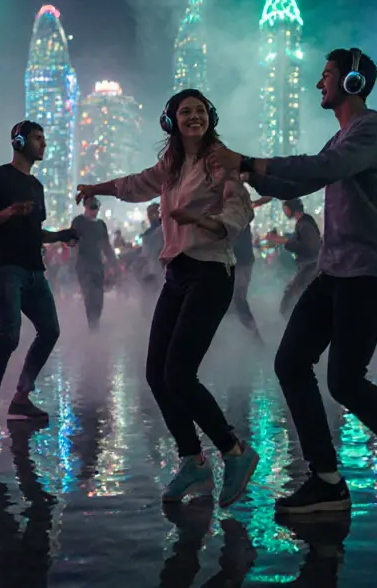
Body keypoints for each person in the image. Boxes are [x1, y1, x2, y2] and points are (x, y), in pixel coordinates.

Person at [213, 48, 377, 524]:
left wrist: (250, 160)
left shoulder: (371, 129)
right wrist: (244, 173)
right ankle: (326, 481)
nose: (318, 83)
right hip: (336, 269)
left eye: (326, 76)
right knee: (290, 361)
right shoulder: (341, 138)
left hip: (370, 269)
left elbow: (324, 170)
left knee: (345, 380)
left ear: (351, 83)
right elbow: (298, 185)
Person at [77, 88, 259, 508]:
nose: (193, 117)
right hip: (177, 274)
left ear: (210, 117)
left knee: (179, 373)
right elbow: (136, 183)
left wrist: (203, 220)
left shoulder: (220, 160)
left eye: (199, 111)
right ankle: (192, 460)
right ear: (171, 120)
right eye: (184, 112)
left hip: (212, 272)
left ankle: (235, 451)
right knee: (156, 373)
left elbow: (240, 210)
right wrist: (98, 187)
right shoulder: (172, 165)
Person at [0, 121, 79, 438]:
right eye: (37, 138)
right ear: (18, 142)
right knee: (9, 337)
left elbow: (35, 232)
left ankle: (20, 399)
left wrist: (60, 235)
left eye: (45, 138)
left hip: (35, 271)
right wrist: (9, 212)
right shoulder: (0, 177)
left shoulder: (37, 186)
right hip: (7, 270)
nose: (43, 144)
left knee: (50, 331)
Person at [70, 196, 116, 331]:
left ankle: (95, 323)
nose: (94, 211)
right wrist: (74, 263)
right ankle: (93, 325)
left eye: (96, 208)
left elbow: (106, 245)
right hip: (84, 265)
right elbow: (73, 243)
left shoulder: (101, 225)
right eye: (92, 208)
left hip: (97, 265)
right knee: (89, 295)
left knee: (99, 296)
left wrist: (113, 262)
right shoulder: (78, 222)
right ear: (85, 207)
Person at [278, 199, 322, 316]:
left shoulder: (305, 224)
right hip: (308, 266)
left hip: (309, 267)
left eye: (285, 209)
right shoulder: (304, 222)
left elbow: (310, 246)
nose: (285, 212)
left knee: (290, 298)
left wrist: (284, 241)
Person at [229, 221, 265, 344]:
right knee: (234, 302)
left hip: (240, 264)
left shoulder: (235, 216)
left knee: (238, 300)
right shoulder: (240, 215)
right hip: (243, 263)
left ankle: (255, 338)